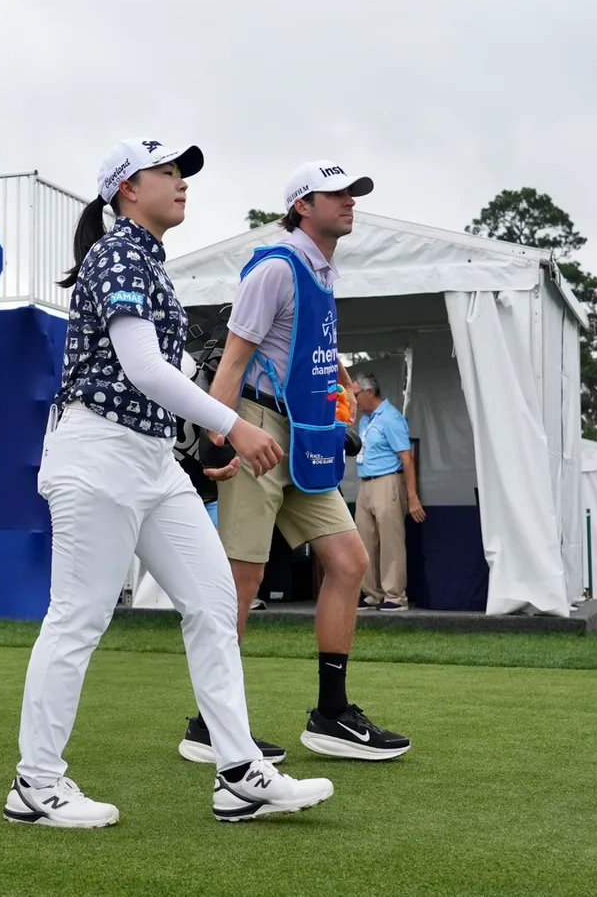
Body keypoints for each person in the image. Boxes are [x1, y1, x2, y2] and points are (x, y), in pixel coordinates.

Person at [5, 139, 334, 829]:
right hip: (96, 455)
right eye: (167, 172)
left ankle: (238, 772)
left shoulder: (146, 260)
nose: (182, 182)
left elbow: (164, 374)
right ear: (128, 189)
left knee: (214, 604)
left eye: (183, 173)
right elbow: (144, 369)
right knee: (78, 618)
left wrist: (196, 444)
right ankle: (36, 783)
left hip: (149, 460)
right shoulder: (119, 253)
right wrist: (233, 427)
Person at [190, 161, 412, 763]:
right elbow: (233, 361)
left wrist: (341, 389)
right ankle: (210, 725)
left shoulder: (322, 270)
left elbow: (312, 348)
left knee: (349, 560)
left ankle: (332, 715)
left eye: (352, 194)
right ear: (302, 206)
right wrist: (219, 440)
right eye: (336, 194)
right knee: (243, 580)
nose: (350, 202)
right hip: (255, 427)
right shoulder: (276, 268)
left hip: (303, 435)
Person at [352, 373, 425, 611]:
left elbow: (407, 458)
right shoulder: (365, 420)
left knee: (390, 540)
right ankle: (372, 593)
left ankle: (395, 595)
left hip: (387, 481)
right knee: (364, 540)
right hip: (366, 482)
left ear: (369, 392)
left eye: (356, 394)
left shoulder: (391, 418)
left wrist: (412, 497)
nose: (354, 400)